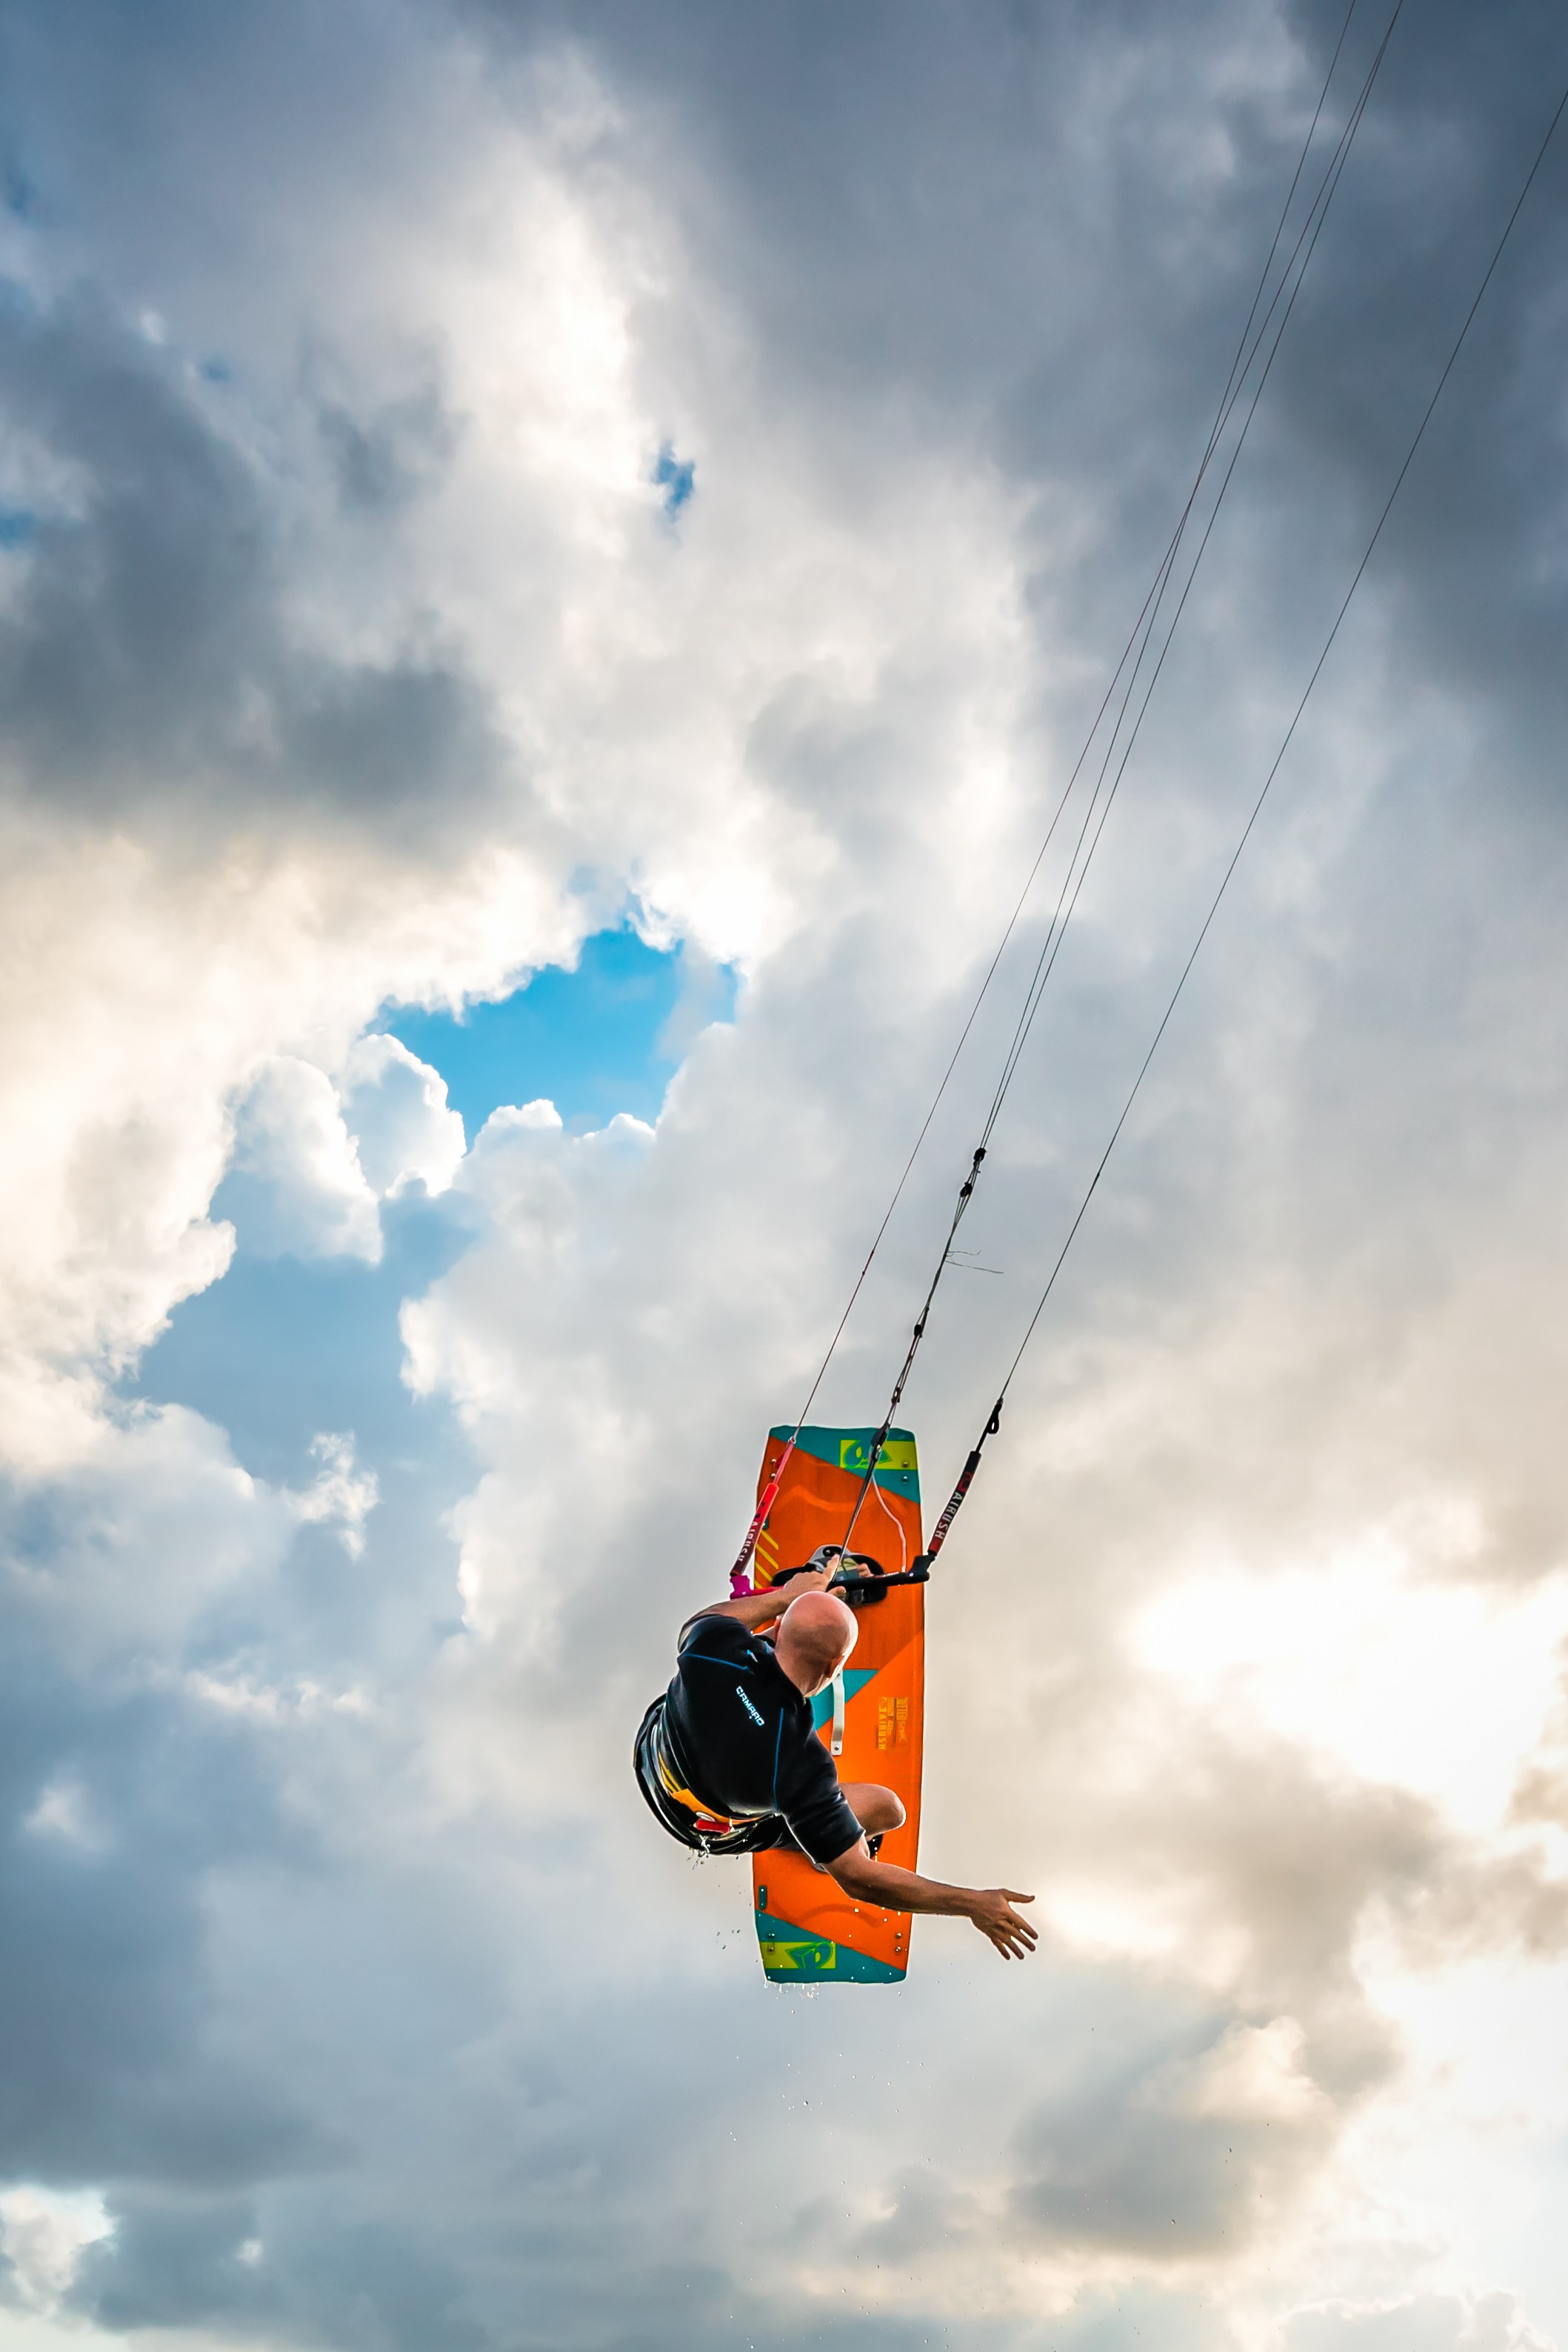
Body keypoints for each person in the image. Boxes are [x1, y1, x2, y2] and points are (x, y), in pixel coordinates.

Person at [633, 1555, 1038, 1960]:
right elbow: (860, 1880)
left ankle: (812, 1617)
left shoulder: (713, 1645)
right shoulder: (798, 1765)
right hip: (703, 1827)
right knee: (887, 1810)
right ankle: (816, 1852)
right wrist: (973, 1903)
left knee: (753, 1665)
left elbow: (705, 1620)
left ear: (779, 1628)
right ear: (834, 1669)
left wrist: (787, 1597)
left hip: (651, 1758)